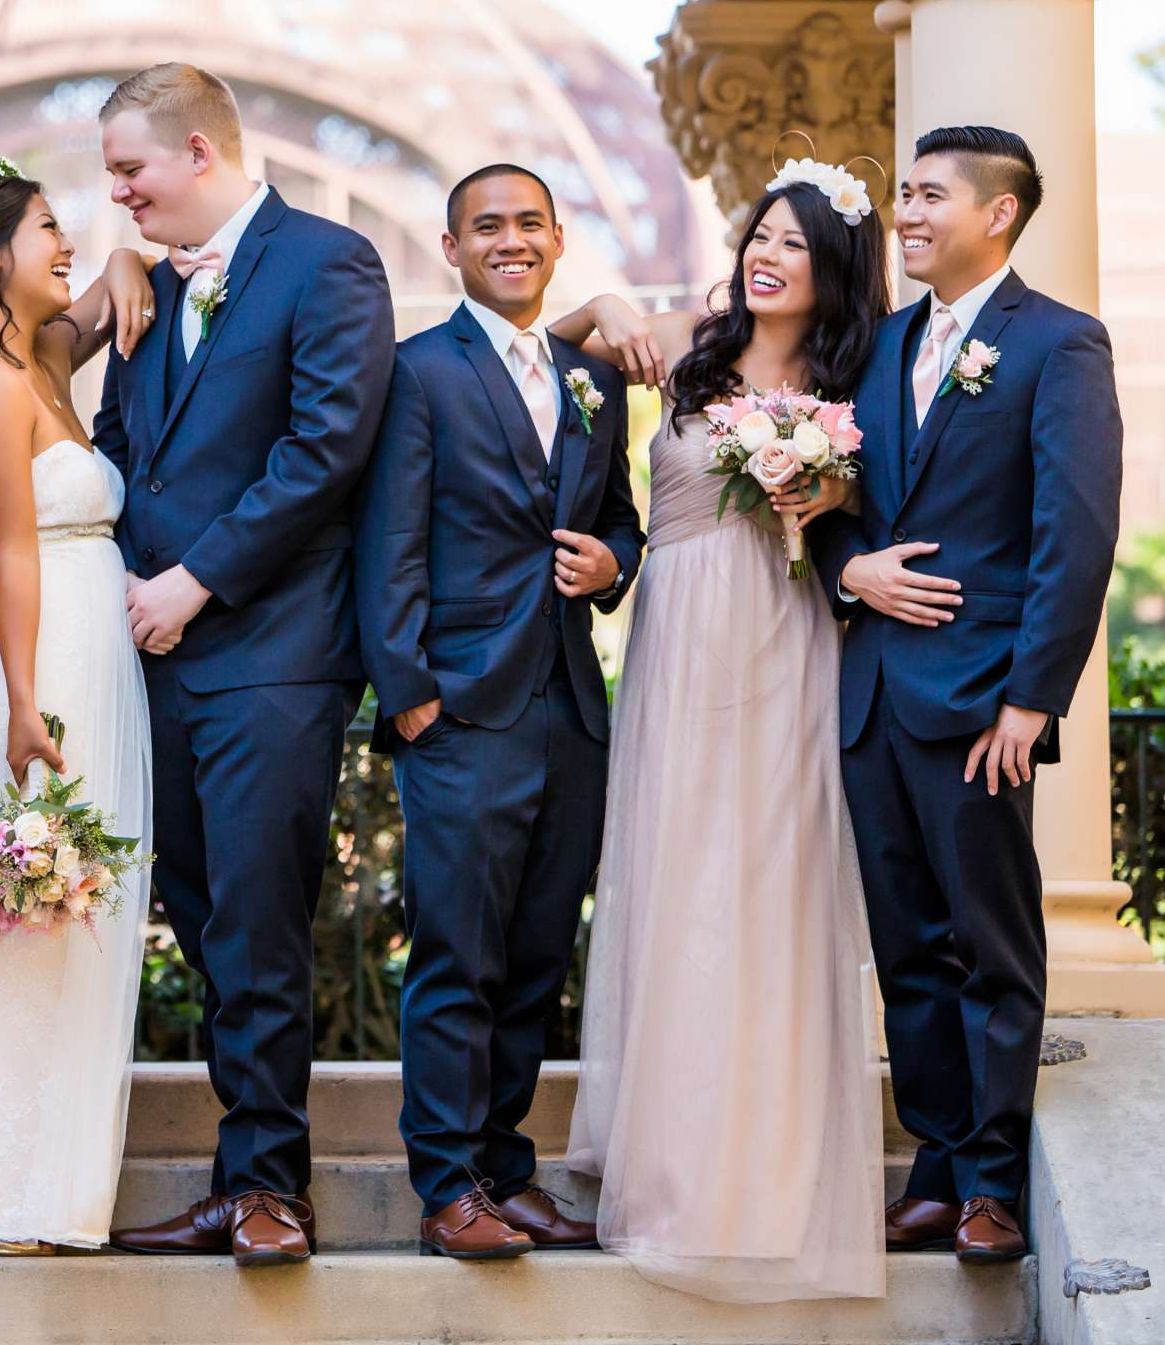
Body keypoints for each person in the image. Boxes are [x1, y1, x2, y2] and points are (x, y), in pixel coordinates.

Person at [555, 160, 890, 1300]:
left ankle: (768, 1182)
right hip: (677, 641)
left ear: (832, 268)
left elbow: (896, 499)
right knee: (677, 879)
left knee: (773, 888)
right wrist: (599, 307)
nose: (767, 254)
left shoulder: (864, 377)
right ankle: (667, 1174)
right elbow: (527, 356)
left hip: (787, 636)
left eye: (795, 244)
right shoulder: (682, 346)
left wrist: (841, 503)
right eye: (762, 233)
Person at [93, 63, 395, 1267]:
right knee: (205, 917)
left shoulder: (330, 264)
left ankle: (272, 1186)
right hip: (154, 660)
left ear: (202, 152)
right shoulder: (151, 289)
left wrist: (192, 582)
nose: (118, 195)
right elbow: (124, 446)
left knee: (263, 921)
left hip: (272, 655)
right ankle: (236, 1172)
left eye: (132, 171)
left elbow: (325, 450)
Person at [811, 125, 1120, 1265]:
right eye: (903, 191)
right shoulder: (877, 345)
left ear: (998, 213)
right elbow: (836, 500)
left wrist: (1030, 700)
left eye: (931, 194)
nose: (908, 211)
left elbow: (1074, 533)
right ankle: (937, 1164)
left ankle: (993, 1181)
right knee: (906, 951)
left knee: (992, 945)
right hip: (874, 696)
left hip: (986, 703)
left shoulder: (1059, 345)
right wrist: (848, 566)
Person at [352, 164, 644, 1263]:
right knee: (457, 956)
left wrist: (615, 555)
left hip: (571, 704)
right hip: (462, 710)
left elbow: (620, 513)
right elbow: (388, 546)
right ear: (452, 247)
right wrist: (414, 697)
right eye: (489, 226)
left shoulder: (594, 379)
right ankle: (445, 1186)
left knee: (533, 956)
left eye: (528, 223)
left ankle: (507, 1168)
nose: (510, 240)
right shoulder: (416, 372)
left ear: (558, 240)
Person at [0, 160, 157, 1253]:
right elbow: (8, 557)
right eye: (49, 228)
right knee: (27, 907)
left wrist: (127, 254)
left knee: (84, 910)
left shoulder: (46, 355)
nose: (69, 242)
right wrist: (19, 707)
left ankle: (57, 1187)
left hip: (88, 643)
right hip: (32, 654)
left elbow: (107, 299)